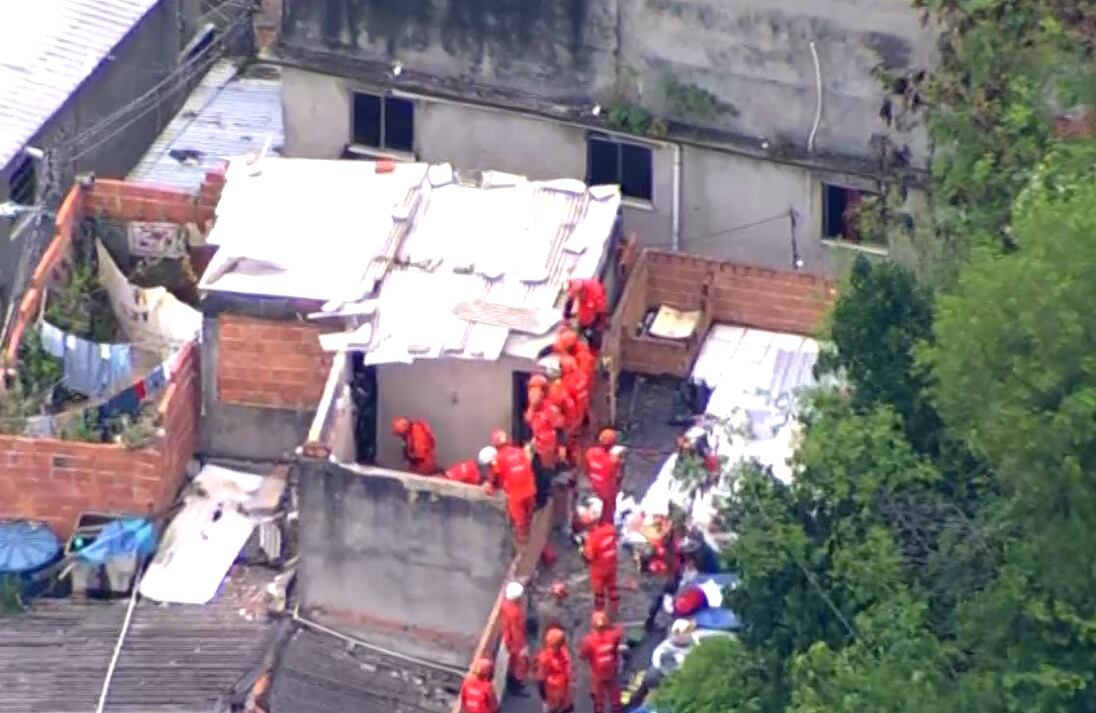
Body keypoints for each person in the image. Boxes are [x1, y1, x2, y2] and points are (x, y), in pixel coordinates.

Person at [485, 430, 537, 546]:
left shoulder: (499, 458)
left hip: (516, 494)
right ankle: (528, 537)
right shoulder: (520, 452)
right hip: (530, 489)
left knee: (519, 522)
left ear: (495, 444)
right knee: (529, 515)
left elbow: (494, 476)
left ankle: (521, 547)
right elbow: (527, 466)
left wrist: (489, 485)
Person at [579, 611, 624, 713]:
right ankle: (616, 709)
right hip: (611, 670)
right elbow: (618, 634)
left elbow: (583, 656)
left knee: (598, 697)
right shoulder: (613, 636)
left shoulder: (588, 640)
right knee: (614, 693)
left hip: (598, 674)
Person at [582, 502, 620, 618]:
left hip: (598, 569)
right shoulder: (611, 529)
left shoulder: (592, 538)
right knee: (612, 588)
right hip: (611, 565)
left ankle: (600, 615)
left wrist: (582, 551)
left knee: (599, 594)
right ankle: (614, 610)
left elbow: (589, 557)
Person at [584, 429, 624, 524]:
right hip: (608, 492)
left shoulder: (590, 453)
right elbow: (619, 476)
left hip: (593, 487)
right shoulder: (613, 460)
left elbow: (586, 469)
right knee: (607, 517)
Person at [501, 580, 531, 696]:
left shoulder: (506, 604)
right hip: (515, 643)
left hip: (508, 639)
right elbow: (517, 631)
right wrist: (522, 648)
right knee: (518, 665)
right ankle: (515, 687)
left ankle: (513, 684)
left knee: (512, 664)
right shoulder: (516, 612)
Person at [535, 627, 574, 713]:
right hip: (558, 694)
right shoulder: (564, 654)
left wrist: (544, 698)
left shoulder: (545, 657)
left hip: (556, 695)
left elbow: (540, 680)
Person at [564, 278, 608, 351]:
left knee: (596, 342)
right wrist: (567, 320)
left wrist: (597, 327)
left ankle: (599, 353)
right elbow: (568, 306)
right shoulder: (574, 292)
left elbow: (601, 314)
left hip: (593, 321)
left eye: (579, 294)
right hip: (583, 321)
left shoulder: (595, 293)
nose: (577, 297)